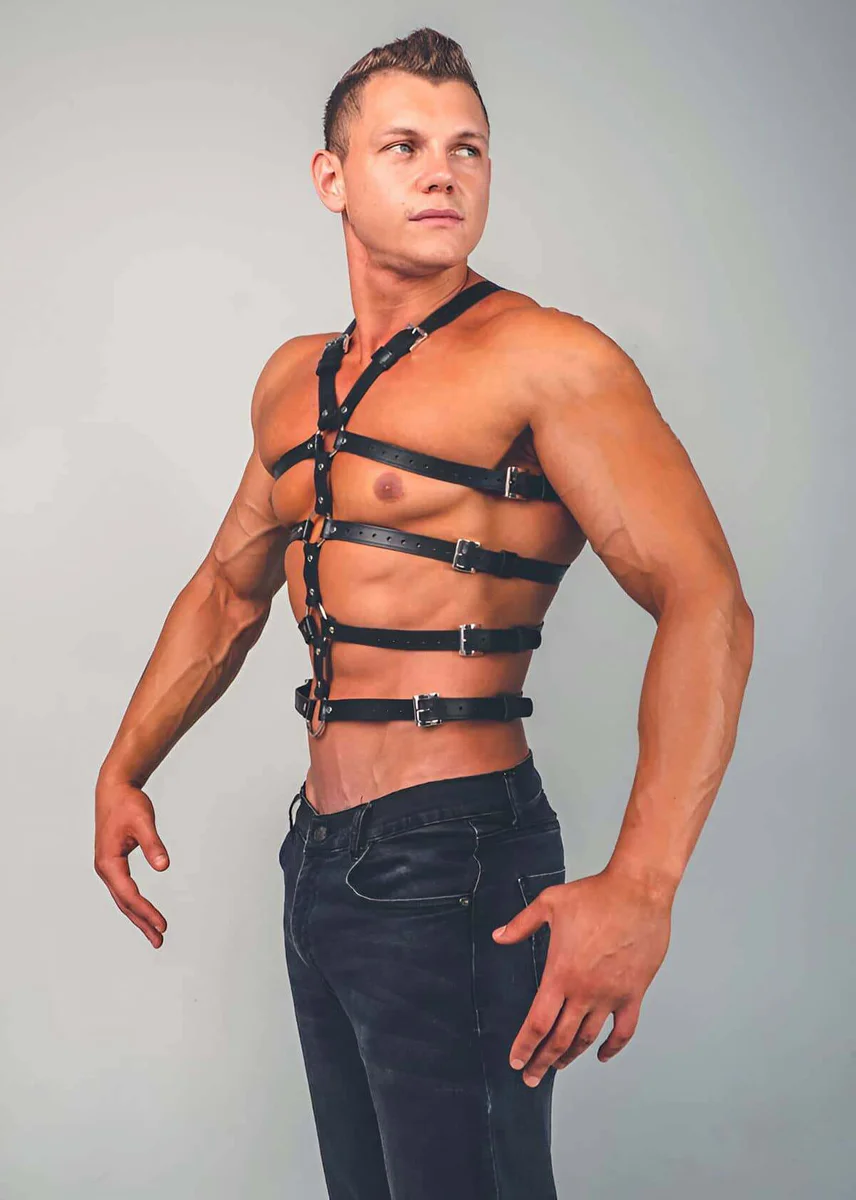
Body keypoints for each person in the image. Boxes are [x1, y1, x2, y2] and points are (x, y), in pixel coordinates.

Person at [94, 25, 755, 1200]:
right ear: (332, 177)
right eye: (403, 146)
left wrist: (643, 884)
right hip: (320, 857)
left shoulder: (548, 360)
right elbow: (230, 586)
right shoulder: (294, 378)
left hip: (456, 857)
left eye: (468, 148)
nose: (443, 172)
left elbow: (706, 600)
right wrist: (124, 764)